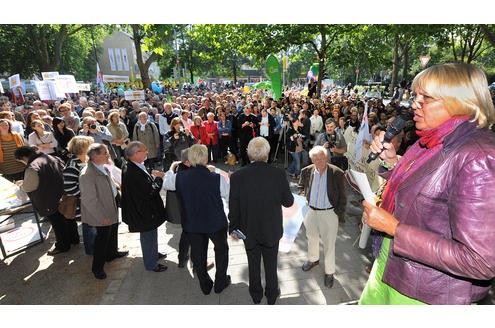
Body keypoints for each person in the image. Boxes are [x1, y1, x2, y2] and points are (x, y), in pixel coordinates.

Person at [359, 63, 495, 305]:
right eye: (415, 96)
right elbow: (426, 193)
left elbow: (479, 261)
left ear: (459, 101)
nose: (414, 104)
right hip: (389, 266)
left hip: (424, 293)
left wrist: (395, 229)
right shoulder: (430, 139)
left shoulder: (479, 155)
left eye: (425, 98)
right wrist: (392, 162)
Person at [228, 137, 294, 305]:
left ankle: (256, 295)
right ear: (267, 153)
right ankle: (271, 295)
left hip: (248, 230)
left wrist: (233, 228)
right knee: (271, 265)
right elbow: (288, 202)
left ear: (249, 153)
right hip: (271, 229)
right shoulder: (278, 174)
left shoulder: (237, 176)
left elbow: (233, 207)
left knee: (253, 264)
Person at [175, 144, 230, 295]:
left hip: (192, 222)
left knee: (198, 255)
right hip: (215, 222)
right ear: (206, 158)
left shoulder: (179, 177)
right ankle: (220, 282)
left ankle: (205, 284)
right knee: (221, 251)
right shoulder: (217, 178)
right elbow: (228, 196)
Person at [15, 146, 78, 255]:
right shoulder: (51, 157)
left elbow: (29, 186)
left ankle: (62, 246)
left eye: (21, 160)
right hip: (63, 195)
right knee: (68, 217)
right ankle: (74, 239)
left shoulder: (32, 166)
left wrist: (22, 186)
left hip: (48, 199)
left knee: (57, 223)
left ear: (23, 157)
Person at [298, 145, 347, 288]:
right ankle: (313, 260)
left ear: (326, 158)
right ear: (312, 159)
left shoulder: (336, 172)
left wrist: (339, 214)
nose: (319, 161)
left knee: (329, 244)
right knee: (311, 237)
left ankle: (329, 272)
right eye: (315, 158)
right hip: (311, 211)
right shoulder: (306, 171)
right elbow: (301, 188)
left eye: (321, 158)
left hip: (329, 212)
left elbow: (343, 196)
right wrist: (303, 202)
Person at [79, 143, 128, 279]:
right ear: (95, 156)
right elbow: (90, 201)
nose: (108, 155)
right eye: (105, 153)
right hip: (101, 214)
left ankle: (112, 254)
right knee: (101, 240)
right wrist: (102, 217)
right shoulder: (87, 175)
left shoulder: (103, 167)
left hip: (110, 207)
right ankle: (97, 268)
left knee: (112, 232)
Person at [121, 141, 167, 273]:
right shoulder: (132, 172)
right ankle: (151, 263)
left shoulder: (134, 165)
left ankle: (152, 253)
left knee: (151, 235)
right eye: (144, 150)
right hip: (144, 212)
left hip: (145, 210)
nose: (147, 152)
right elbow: (149, 192)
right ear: (136, 154)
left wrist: (151, 175)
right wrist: (158, 179)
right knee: (148, 236)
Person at [63, 136, 95, 255]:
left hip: (90, 201)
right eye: (90, 146)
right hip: (83, 203)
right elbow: (69, 187)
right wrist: (86, 196)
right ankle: (91, 250)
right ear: (82, 148)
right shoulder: (72, 165)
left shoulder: (86, 161)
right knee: (88, 226)